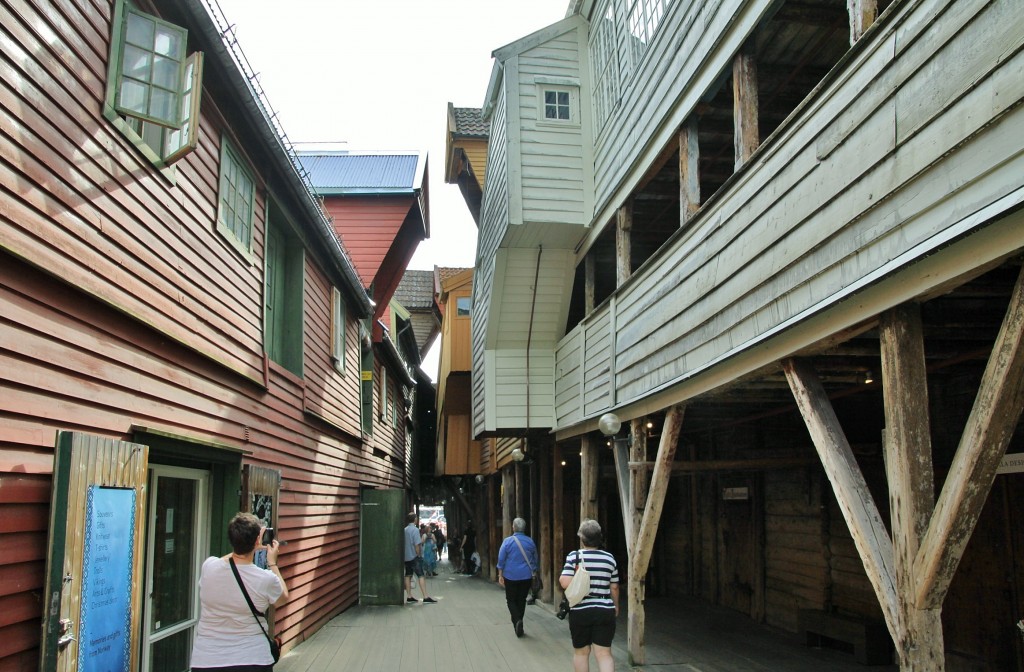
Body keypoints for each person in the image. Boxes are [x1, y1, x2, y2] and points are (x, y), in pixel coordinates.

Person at [190, 512, 289, 671]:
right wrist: (272, 563)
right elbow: (283, 598)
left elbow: (229, 558)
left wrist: (248, 545)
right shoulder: (265, 579)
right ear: (258, 540)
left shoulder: (209, 567)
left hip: (207, 659)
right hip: (252, 658)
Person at [559, 519, 619, 672]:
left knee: (581, 653)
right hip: (604, 609)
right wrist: (616, 606)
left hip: (581, 610)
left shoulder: (575, 556)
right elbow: (614, 586)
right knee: (604, 654)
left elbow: (564, 582)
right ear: (599, 537)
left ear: (582, 538)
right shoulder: (609, 558)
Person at [496, 517, 538, 638]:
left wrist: (500, 573)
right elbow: (535, 559)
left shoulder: (507, 541)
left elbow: (501, 558)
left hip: (510, 575)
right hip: (526, 576)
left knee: (511, 600)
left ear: (513, 527)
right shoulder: (530, 541)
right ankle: (519, 621)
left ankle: (517, 620)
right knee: (521, 599)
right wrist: (535, 571)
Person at [404, 513, 437, 603]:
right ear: (414, 519)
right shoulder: (415, 530)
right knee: (421, 575)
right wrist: (418, 554)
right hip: (414, 556)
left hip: (406, 556)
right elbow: (417, 544)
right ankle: (425, 596)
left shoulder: (405, 530)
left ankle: (409, 596)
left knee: (408, 575)